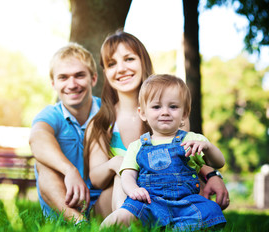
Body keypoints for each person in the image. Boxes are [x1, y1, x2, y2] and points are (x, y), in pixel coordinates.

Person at [84, 30, 230, 214]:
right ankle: (125, 230)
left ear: (143, 61)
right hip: (115, 199)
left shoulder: (169, 114)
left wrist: (213, 175)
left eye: (129, 59)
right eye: (112, 64)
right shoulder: (101, 123)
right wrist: (118, 163)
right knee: (123, 175)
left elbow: (188, 156)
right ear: (105, 72)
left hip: (165, 194)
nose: (121, 68)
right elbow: (96, 178)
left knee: (185, 179)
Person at [100, 74, 227, 231]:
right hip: (149, 201)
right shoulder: (137, 146)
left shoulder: (193, 139)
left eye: (173, 107)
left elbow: (219, 163)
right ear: (143, 113)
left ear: (185, 113)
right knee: (124, 214)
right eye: (156, 107)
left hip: (185, 202)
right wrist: (133, 189)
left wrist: (207, 147)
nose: (165, 112)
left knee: (211, 210)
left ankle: (176, 228)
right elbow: (127, 175)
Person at [29, 43, 112, 223]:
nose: (72, 84)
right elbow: (37, 139)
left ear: (94, 79)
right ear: (54, 84)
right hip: (65, 206)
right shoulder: (51, 115)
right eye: (63, 78)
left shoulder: (109, 112)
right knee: (43, 164)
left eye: (79, 75)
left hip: (105, 203)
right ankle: (79, 223)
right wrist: (69, 170)